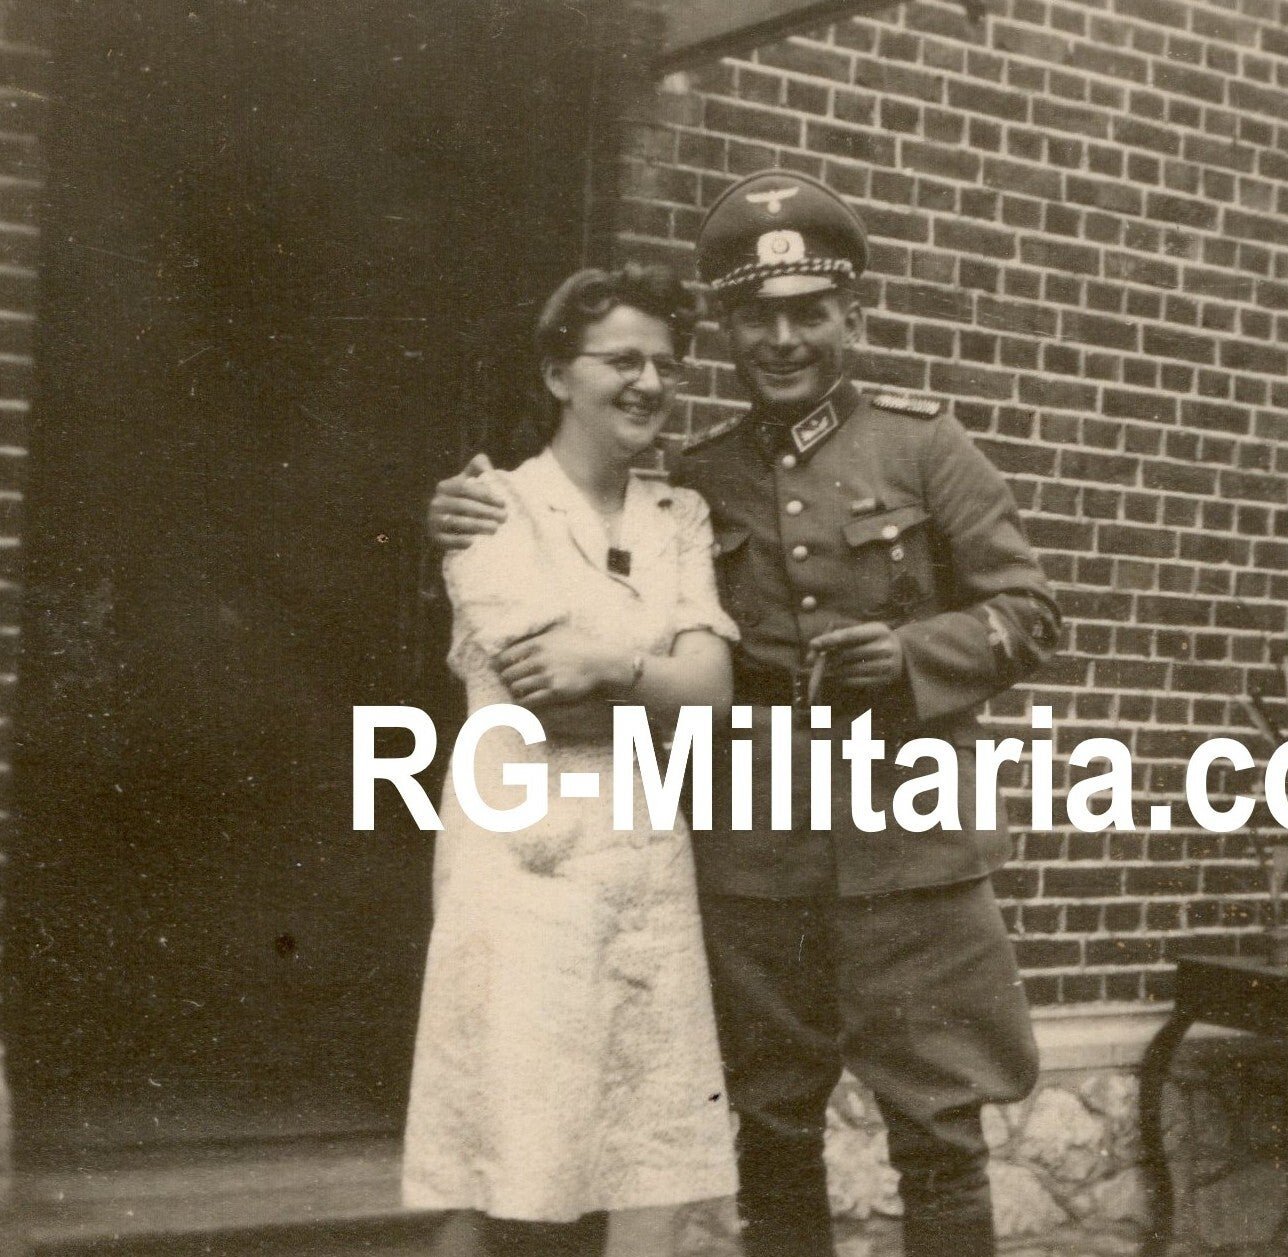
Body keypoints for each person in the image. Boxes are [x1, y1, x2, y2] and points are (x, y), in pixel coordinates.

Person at [429, 170, 1060, 1257]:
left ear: (850, 317)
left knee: (939, 1136)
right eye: (756, 317)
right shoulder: (691, 480)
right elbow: (570, 523)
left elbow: (1032, 612)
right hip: (756, 861)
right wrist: (459, 500)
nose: (782, 339)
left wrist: (910, 654)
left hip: (911, 858)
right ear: (725, 328)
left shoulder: (922, 446)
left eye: (807, 313)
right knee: (771, 1131)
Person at [405, 264, 738, 1257]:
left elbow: (713, 693)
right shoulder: (492, 509)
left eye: (665, 364)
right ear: (558, 374)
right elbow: (539, 687)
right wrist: (653, 669)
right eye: (621, 359)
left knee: (644, 1136)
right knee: (499, 1122)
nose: (648, 382)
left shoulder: (677, 518)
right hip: (524, 847)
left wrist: (612, 662)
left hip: (641, 852)